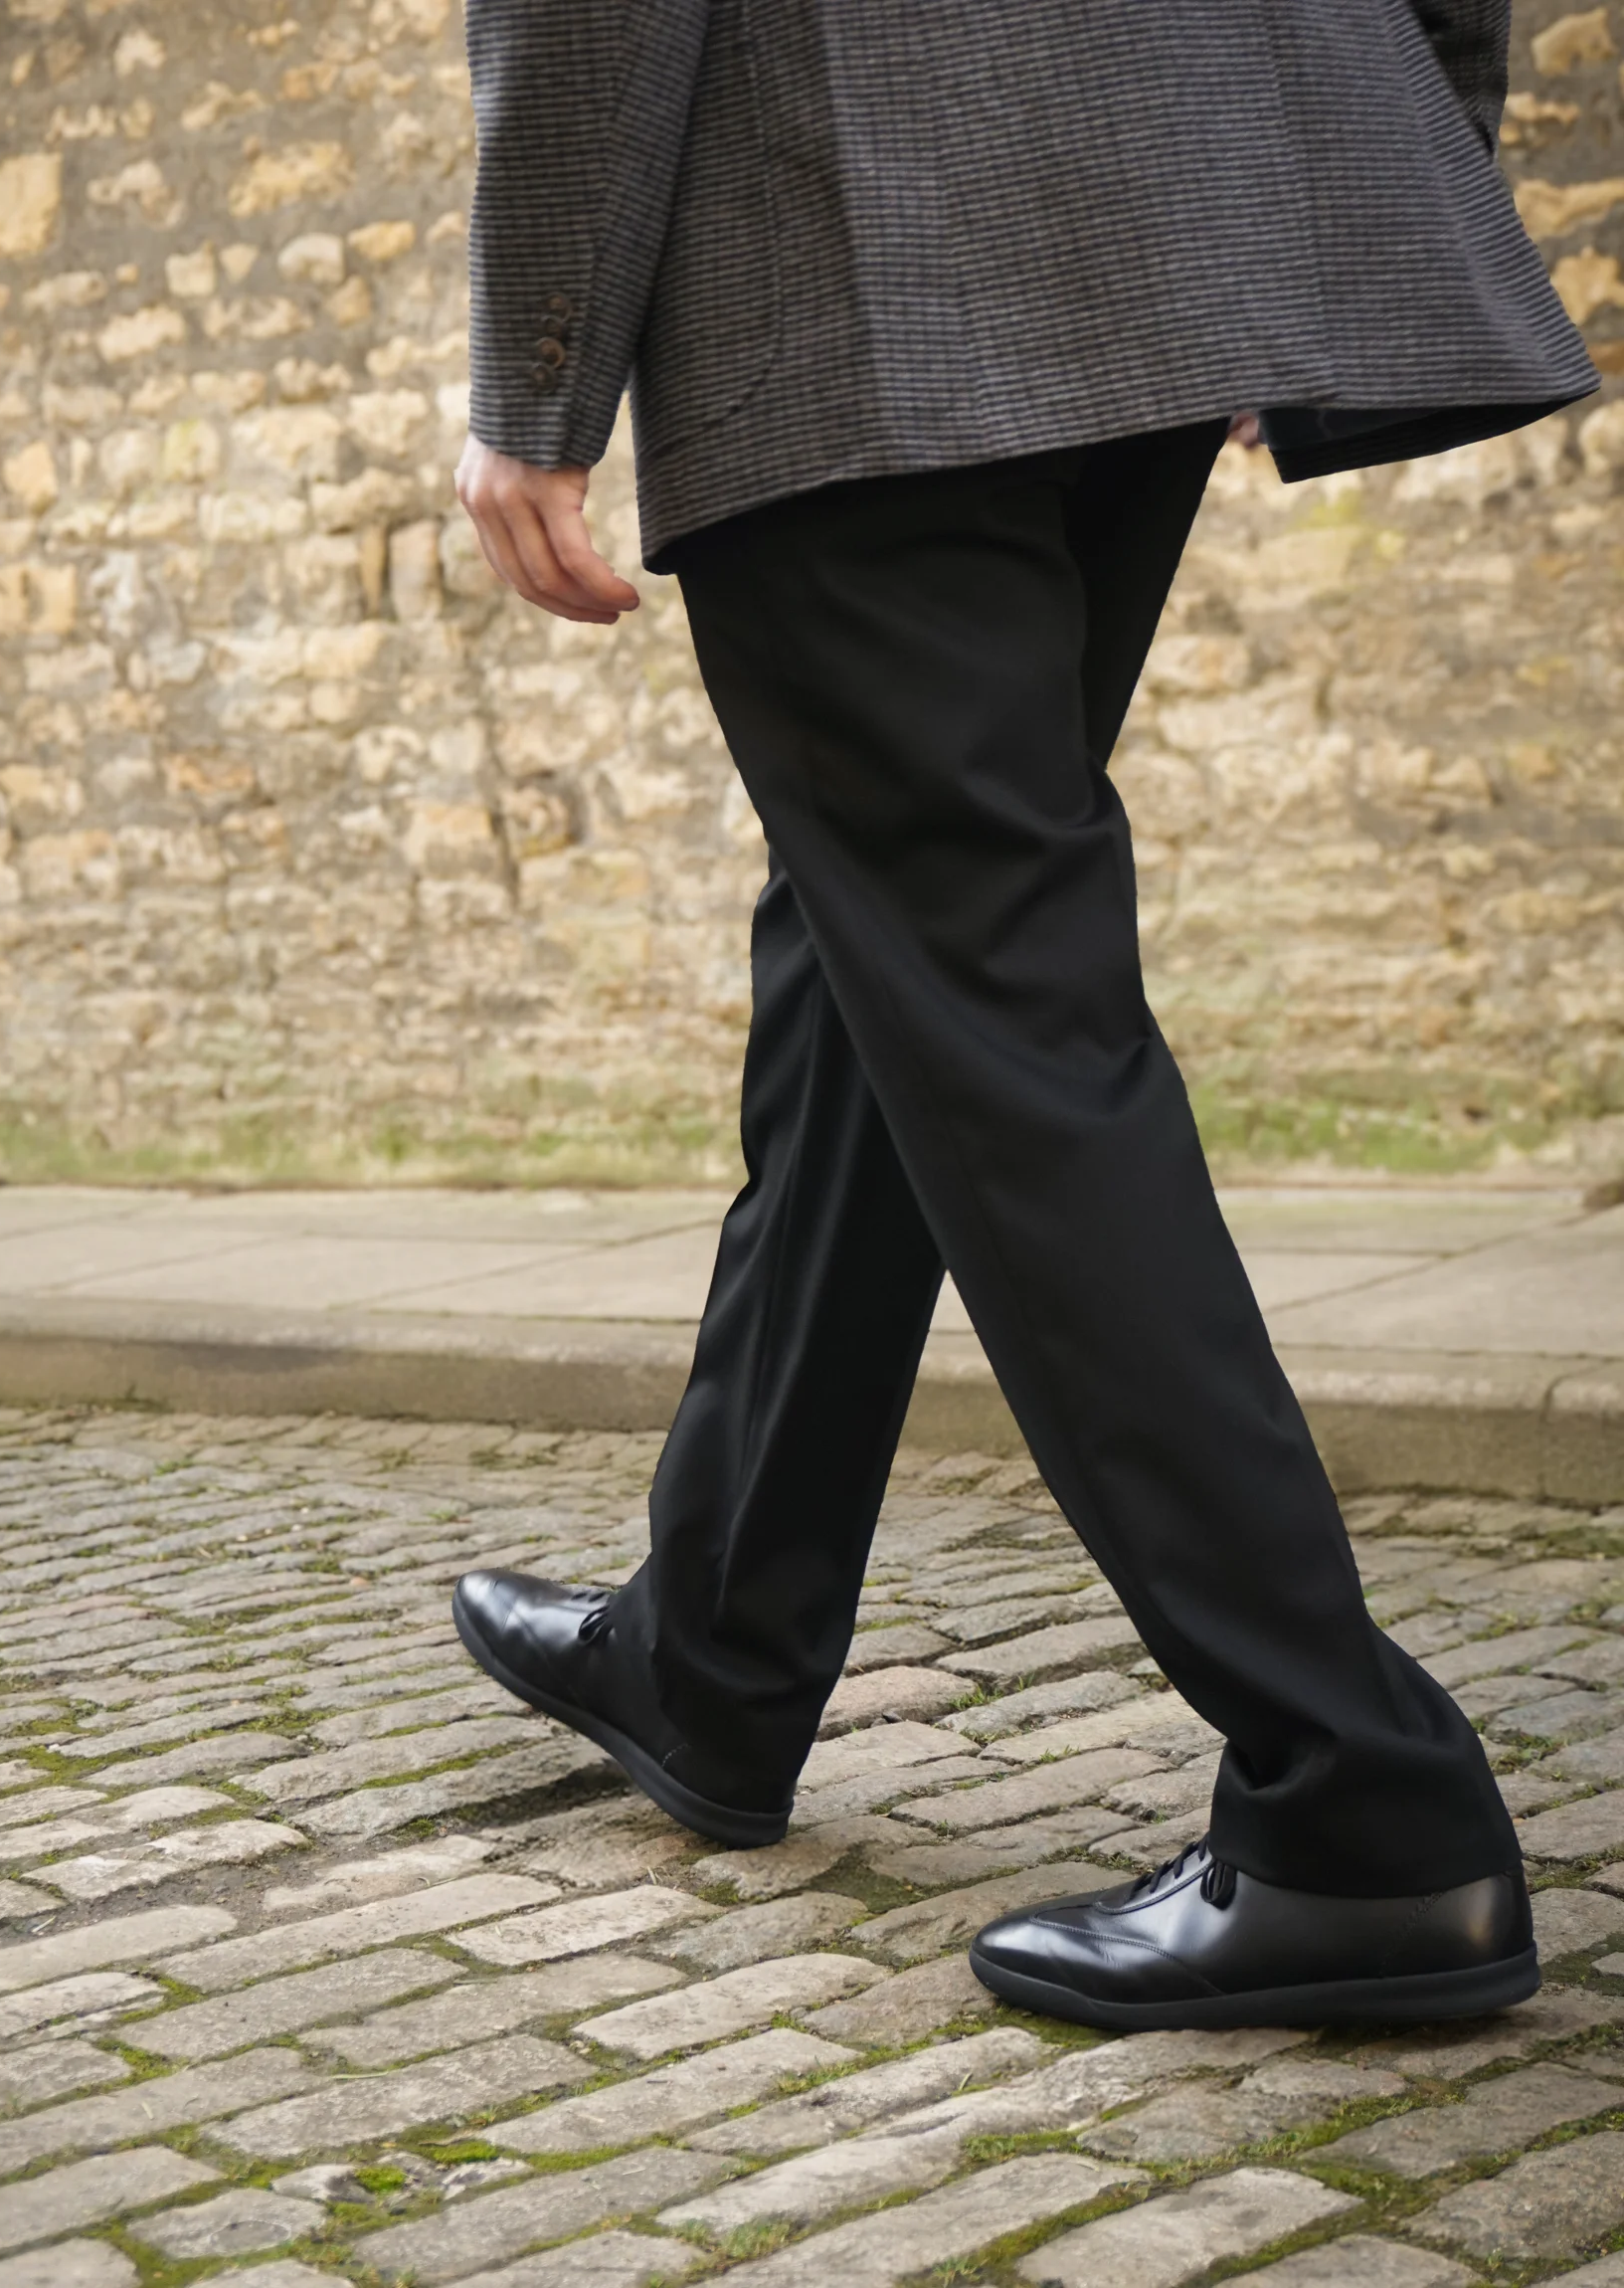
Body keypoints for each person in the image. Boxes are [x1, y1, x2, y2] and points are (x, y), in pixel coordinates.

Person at [446, 0, 1598, 2029]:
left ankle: (1363, 1808)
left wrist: (536, 365)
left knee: (987, 989)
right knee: (879, 935)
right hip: (1163, 206)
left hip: (856, 240)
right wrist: (1365, 155)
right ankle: (713, 1649)